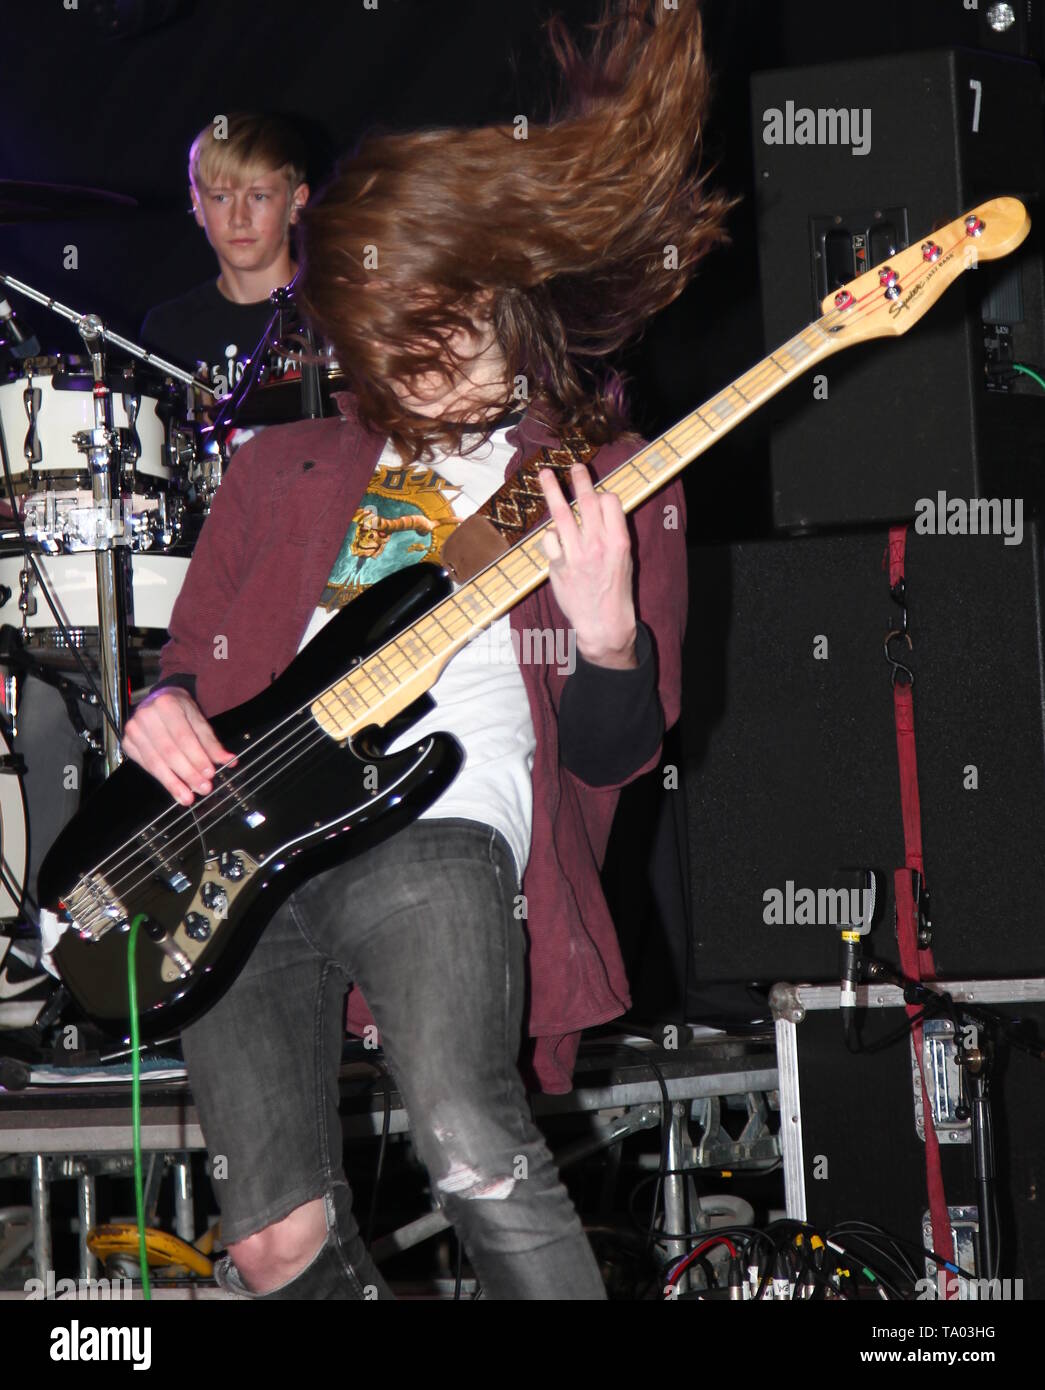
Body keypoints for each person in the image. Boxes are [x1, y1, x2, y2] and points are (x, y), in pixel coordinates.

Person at [120, 0, 732, 1300]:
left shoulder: (598, 479)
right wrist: (159, 705)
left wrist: (608, 623)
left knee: (468, 1138)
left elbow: (627, 747)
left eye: (448, 317)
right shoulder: (278, 466)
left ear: (509, 305)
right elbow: (182, 664)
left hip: (441, 827)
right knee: (274, 1239)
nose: (420, 351)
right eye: (394, 324)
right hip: (248, 854)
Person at [140, 111, 311, 396]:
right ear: (197, 204)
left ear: (296, 202)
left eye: (259, 196)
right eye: (221, 197)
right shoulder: (168, 331)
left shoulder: (337, 314)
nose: (239, 218)